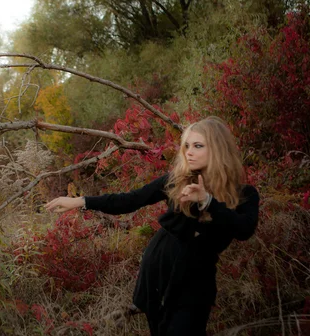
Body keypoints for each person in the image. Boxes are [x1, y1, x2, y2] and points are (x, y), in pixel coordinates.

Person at [45, 116, 260, 335]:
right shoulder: (176, 181)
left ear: (217, 149)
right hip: (158, 271)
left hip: (195, 281)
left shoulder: (244, 194)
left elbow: (245, 230)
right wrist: (80, 201)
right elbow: (129, 200)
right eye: (186, 146)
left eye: (198, 146)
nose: (189, 152)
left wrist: (207, 201)